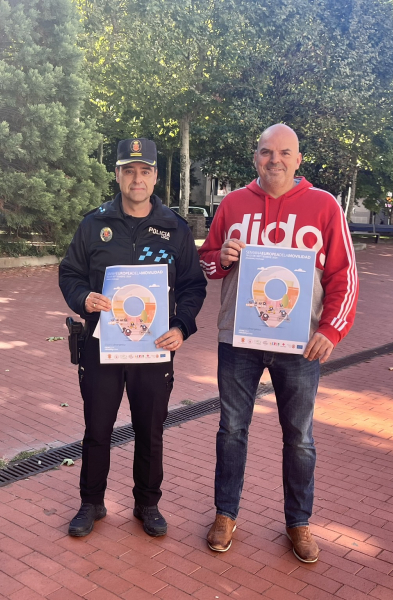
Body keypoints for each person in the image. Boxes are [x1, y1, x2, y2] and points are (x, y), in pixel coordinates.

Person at [197, 124, 358, 562]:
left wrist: (330, 330)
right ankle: (225, 513)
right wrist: (220, 259)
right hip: (239, 339)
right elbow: (207, 264)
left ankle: (298, 522)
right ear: (256, 158)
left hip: (300, 345)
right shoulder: (232, 204)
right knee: (232, 431)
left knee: (300, 437)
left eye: (284, 152)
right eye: (267, 152)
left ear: (298, 159)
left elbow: (343, 275)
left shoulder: (324, 206)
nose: (275, 160)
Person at [59, 138, 207, 537]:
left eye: (144, 171)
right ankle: (91, 503)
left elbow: (194, 286)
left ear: (155, 176)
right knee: (97, 429)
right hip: (101, 346)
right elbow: (69, 273)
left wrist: (181, 327)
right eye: (129, 170)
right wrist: (82, 299)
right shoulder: (94, 224)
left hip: (154, 349)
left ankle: (147, 504)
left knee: (150, 430)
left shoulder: (175, 228)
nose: (136, 178)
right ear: (118, 174)